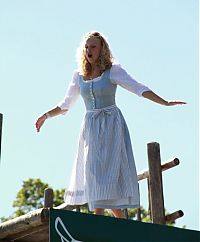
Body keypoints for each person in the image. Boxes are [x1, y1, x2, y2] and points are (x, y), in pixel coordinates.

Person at [35, 31, 186, 219]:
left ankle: (99, 221)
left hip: (112, 126)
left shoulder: (112, 71)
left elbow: (138, 87)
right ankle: (121, 224)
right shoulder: (78, 75)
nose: (89, 50)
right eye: (87, 47)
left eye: (93, 47)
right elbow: (66, 104)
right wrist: (46, 116)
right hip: (90, 127)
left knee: (108, 174)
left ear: (102, 50)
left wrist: (164, 102)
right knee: (93, 172)